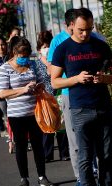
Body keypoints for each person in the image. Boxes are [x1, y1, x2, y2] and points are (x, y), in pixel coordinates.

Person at [47, 8, 112, 186]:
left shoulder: (100, 46)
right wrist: (76, 79)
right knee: (84, 155)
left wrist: (104, 79)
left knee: (107, 154)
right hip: (79, 107)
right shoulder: (62, 48)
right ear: (71, 27)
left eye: (89, 29)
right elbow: (55, 81)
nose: (85, 34)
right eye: (81, 30)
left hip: (103, 106)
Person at [0, 36, 53, 186]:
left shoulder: (33, 65)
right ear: (14, 52)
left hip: (35, 112)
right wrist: (23, 89)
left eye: (26, 54)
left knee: (38, 145)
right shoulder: (5, 69)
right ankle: (24, 178)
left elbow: (43, 82)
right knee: (21, 145)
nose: (24, 58)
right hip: (16, 114)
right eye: (21, 55)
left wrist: (38, 87)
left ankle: (42, 176)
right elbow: (2, 93)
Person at [36, 30, 70, 162]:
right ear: (39, 50)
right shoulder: (37, 64)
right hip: (45, 98)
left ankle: (64, 152)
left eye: (49, 46)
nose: (47, 49)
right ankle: (47, 154)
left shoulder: (57, 62)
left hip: (59, 94)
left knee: (62, 126)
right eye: (44, 47)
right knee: (48, 125)